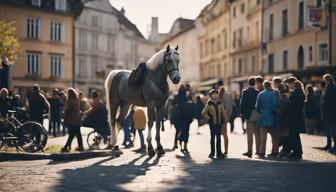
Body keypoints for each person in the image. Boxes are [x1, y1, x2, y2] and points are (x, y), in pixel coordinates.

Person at [202, 89, 228, 159]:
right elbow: (203, 112)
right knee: (213, 138)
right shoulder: (209, 103)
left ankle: (219, 152)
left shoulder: (220, 103)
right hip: (212, 123)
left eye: (216, 94)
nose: (215, 95)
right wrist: (209, 117)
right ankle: (212, 152)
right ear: (210, 96)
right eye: (213, 94)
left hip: (219, 123)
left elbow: (223, 112)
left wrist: (225, 120)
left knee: (219, 138)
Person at [256, 80, 278, 158]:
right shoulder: (274, 94)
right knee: (274, 136)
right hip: (272, 116)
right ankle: (275, 151)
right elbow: (275, 104)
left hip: (262, 116)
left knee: (263, 136)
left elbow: (257, 106)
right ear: (270, 85)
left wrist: (261, 111)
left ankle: (262, 152)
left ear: (264, 86)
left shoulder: (260, 94)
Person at [240, 76, 260, 158]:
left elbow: (242, 104)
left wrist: (243, 114)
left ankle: (250, 151)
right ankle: (258, 150)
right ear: (254, 83)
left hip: (249, 115)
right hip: (257, 114)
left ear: (248, 82)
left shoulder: (245, 92)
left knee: (250, 134)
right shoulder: (257, 92)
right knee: (257, 134)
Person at [287, 79, 305, 159]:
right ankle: (298, 151)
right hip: (298, 116)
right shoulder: (301, 93)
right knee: (296, 135)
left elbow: (292, 106)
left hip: (294, 117)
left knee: (294, 135)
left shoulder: (296, 94)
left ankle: (296, 152)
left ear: (295, 86)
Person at [321, 74, 336, 152]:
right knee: (328, 129)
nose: (324, 81)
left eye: (325, 80)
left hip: (331, 112)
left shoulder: (332, 88)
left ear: (328, 80)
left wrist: (324, 102)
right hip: (328, 112)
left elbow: (329, 99)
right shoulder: (328, 87)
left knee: (333, 130)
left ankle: (334, 146)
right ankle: (328, 144)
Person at [171, 84, 188, 150]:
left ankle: (175, 144)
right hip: (184, 115)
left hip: (177, 115)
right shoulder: (186, 96)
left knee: (177, 130)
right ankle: (184, 146)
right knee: (185, 131)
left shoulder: (176, 96)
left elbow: (172, 104)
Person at [277, 84, 291, 158]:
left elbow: (282, 110)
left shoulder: (283, 99)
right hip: (286, 119)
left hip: (284, 119)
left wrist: (278, 110)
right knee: (285, 135)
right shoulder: (287, 98)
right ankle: (285, 149)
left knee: (284, 135)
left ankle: (285, 150)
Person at [219, 86, 232, 155]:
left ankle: (219, 150)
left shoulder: (217, 94)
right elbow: (229, 108)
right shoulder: (228, 94)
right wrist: (227, 118)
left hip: (218, 118)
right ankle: (226, 150)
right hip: (224, 117)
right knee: (224, 135)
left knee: (218, 135)